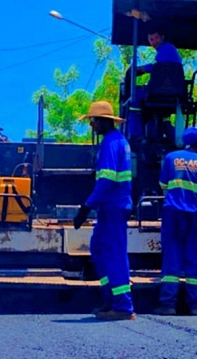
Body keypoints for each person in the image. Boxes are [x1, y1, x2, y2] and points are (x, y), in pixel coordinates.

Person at [74, 101, 135, 321]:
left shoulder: (111, 143)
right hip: (111, 207)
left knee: (113, 253)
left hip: (113, 206)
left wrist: (86, 206)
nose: (91, 124)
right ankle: (111, 299)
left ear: (104, 121)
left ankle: (123, 306)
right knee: (98, 249)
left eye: (93, 120)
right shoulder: (117, 141)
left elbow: (107, 180)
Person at [155, 127, 197, 316]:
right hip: (194, 215)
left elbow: (163, 184)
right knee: (194, 258)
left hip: (173, 213)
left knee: (172, 256)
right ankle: (194, 306)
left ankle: (168, 305)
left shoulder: (171, 158)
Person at [126, 26, 185, 137]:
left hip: (165, 90)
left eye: (156, 38)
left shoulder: (166, 48)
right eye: (151, 39)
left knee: (133, 98)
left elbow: (159, 67)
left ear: (162, 37)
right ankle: (155, 127)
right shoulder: (166, 50)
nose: (154, 42)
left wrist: (141, 69)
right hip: (172, 90)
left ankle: (135, 135)